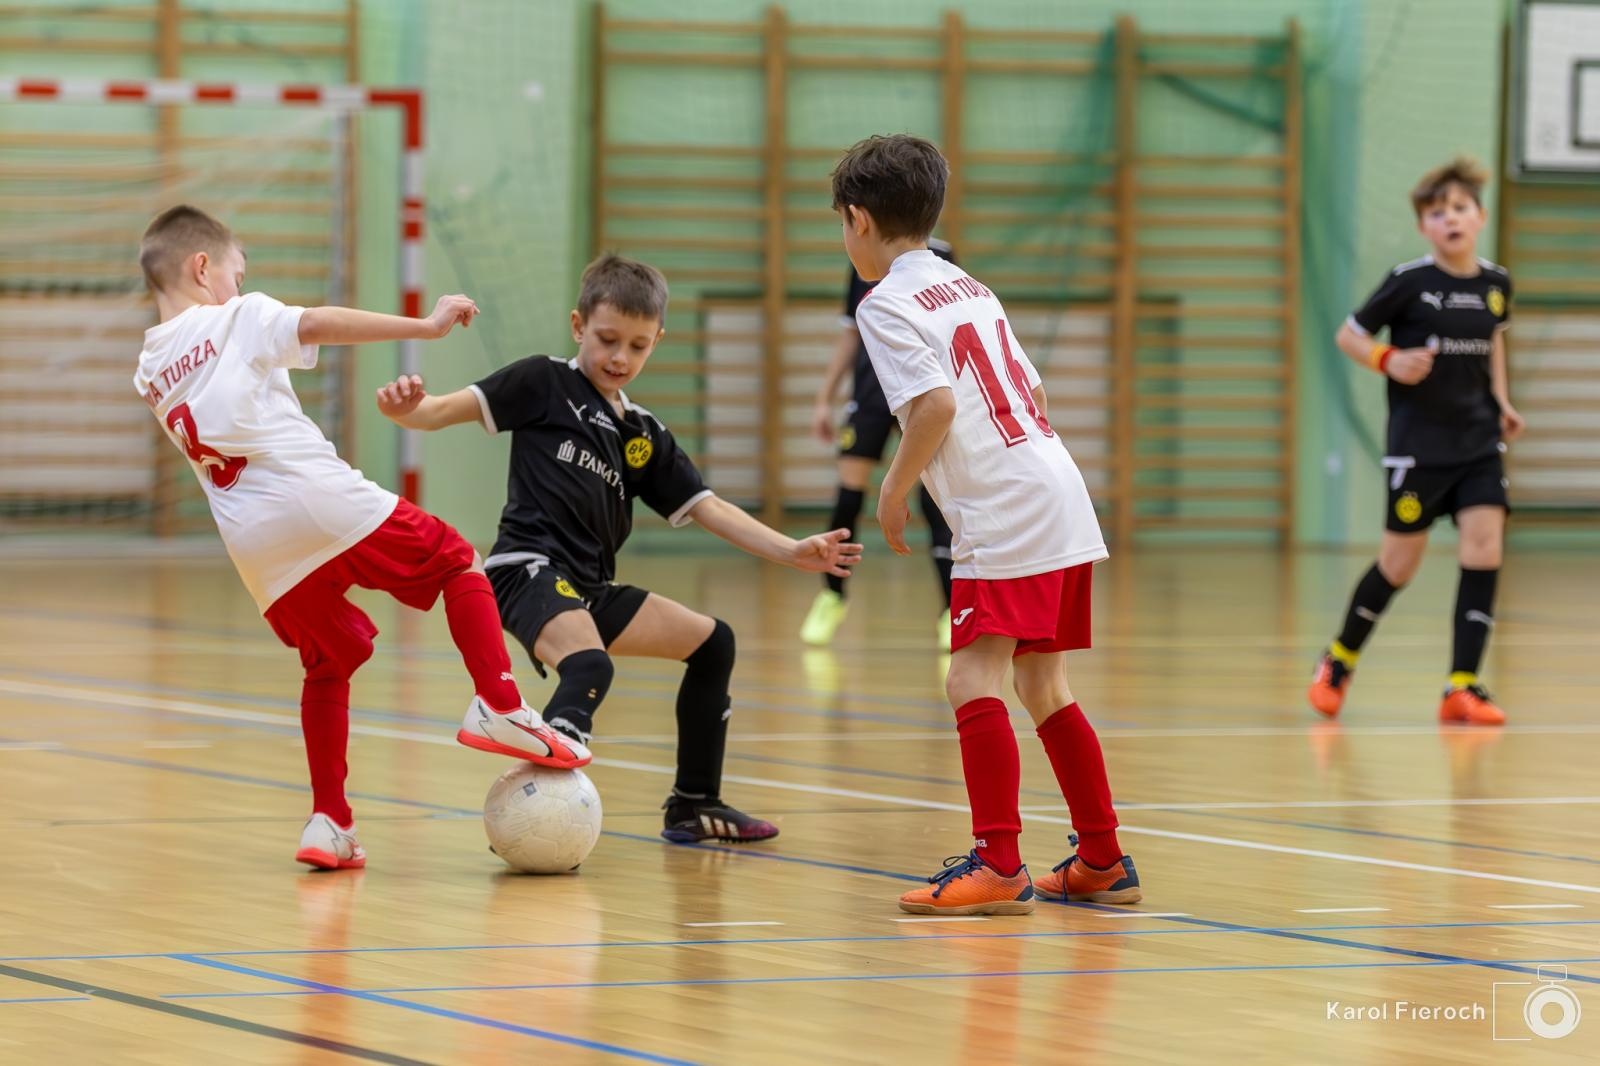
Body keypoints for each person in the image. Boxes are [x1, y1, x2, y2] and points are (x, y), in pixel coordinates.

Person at [132, 205, 585, 872]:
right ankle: (500, 703)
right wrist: (424, 326)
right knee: (459, 562)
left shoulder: (149, 366)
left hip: (252, 542)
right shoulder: (236, 315)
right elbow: (313, 323)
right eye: (237, 272)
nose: (240, 284)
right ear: (203, 268)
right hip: (311, 496)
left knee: (328, 662)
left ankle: (329, 822)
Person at [374, 254, 862, 844]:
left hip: (590, 588)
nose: (619, 358)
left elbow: (708, 506)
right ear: (578, 325)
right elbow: (437, 412)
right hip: (525, 569)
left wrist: (791, 550)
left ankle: (693, 803)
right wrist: (409, 410)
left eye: (637, 346)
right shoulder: (543, 382)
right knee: (589, 665)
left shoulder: (644, 434)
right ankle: (546, 780)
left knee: (714, 644)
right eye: (607, 339)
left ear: (658, 341)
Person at [830, 135, 1140, 914]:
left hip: (1006, 510)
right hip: (1057, 488)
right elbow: (1026, 389)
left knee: (972, 674)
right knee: (1043, 681)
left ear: (858, 221)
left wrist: (896, 489)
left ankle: (1000, 863)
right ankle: (1102, 858)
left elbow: (935, 405)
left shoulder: (886, 302)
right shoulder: (967, 284)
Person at [1308, 158, 1524, 726]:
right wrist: (1389, 360)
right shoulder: (1410, 283)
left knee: (1485, 550)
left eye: (1458, 208)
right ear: (1424, 226)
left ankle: (1462, 686)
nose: (1449, 219)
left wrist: (1501, 403)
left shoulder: (1496, 284)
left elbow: (1494, 344)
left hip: (1479, 444)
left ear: (1479, 216)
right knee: (1398, 565)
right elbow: (1349, 336)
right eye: (1436, 212)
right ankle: (1339, 658)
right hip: (1419, 449)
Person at [803, 245, 958, 648]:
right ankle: (832, 596)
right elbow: (851, 334)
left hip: (921, 392)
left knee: (935, 501)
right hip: (871, 395)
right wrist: (825, 397)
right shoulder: (863, 259)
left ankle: (952, 610)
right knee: (848, 496)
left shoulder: (941, 259)